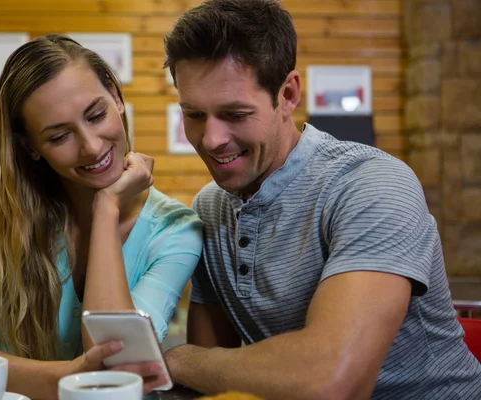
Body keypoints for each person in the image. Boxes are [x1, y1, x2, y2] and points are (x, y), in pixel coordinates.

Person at [161, 0, 481, 399]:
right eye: (194, 115)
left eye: (236, 114)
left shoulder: (371, 184)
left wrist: (177, 360)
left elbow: (333, 382)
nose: (211, 140)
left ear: (288, 94)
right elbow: (210, 372)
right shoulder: (210, 208)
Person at [0, 34, 203, 399]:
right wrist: (69, 376)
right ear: (31, 147)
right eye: (59, 136)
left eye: (96, 114)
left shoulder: (177, 229)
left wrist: (106, 207)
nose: (92, 146)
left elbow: (119, 367)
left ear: (117, 100)